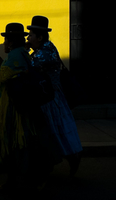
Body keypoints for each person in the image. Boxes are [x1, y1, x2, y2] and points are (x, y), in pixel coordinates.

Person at [0, 23, 43, 195]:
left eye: (6, 39)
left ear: (11, 41)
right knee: (19, 147)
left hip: (11, 107)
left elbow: (4, 76)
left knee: (12, 145)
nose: (4, 43)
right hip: (18, 104)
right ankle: (20, 181)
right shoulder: (22, 53)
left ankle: (15, 183)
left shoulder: (15, 55)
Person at [26, 16, 82, 177]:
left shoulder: (45, 53)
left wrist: (23, 49)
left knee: (56, 130)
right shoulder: (43, 49)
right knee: (54, 131)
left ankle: (71, 157)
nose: (28, 38)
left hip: (51, 100)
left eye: (31, 35)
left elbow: (29, 67)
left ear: (40, 37)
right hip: (47, 97)